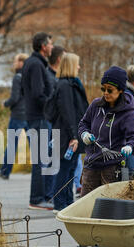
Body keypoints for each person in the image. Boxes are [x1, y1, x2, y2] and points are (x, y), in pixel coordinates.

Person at [78, 66, 134, 247]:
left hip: (112, 167)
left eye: (110, 90)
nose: (105, 94)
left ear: (121, 91)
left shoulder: (128, 112)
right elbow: (83, 124)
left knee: (109, 213)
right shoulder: (96, 105)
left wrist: (129, 146)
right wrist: (84, 135)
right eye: (103, 89)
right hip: (91, 165)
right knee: (86, 209)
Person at [51, 53, 89, 213]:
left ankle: (66, 200)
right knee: (65, 168)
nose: (79, 67)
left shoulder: (71, 84)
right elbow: (67, 112)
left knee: (71, 167)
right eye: (77, 64)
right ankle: (59, 203)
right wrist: (73, 136)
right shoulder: (65, 86)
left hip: (72, 132)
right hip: (68, 134)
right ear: (71, 65)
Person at [21, 32, 54, 210]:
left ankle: (41, 197)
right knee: (41, 159)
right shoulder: (36, 65)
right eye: (50, 44)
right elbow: (38, 94)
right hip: (39, 118)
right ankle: (36, 199)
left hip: (35, 117)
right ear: (43, 46)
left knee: (42, 158)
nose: (52, 47)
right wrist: (52, 105)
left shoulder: (33, 63)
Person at [0, 53, 29, 180]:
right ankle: (42, 172)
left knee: (12, 144)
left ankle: (5, 172)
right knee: (36, 146)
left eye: (15, 61)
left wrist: (5, 103)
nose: (14, 64)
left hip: (18, 115)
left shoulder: (17, 77)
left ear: (21, 63)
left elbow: (14, 98)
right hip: (30, 115)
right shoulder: (31, 76)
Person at [44, 45, 65, 202]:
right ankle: (50, 194)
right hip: (50, 122)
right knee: (51, 158)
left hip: (53, 122)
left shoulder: (54, 77)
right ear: (59, 59)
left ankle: (51, 193)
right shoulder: (50, 78)